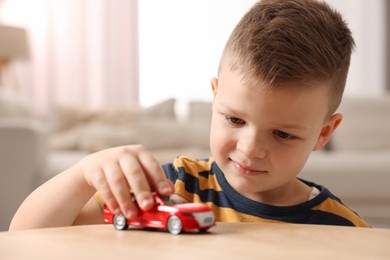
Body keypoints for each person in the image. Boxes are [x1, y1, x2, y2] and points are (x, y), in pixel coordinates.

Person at [10, 0, 370, 230]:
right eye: (235, 120)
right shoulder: (173, 186)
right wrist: (82, 174)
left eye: (283, 134)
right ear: (215, 96)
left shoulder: (343, 230)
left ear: (324, 133)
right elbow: (27, 239)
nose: (250, 148)